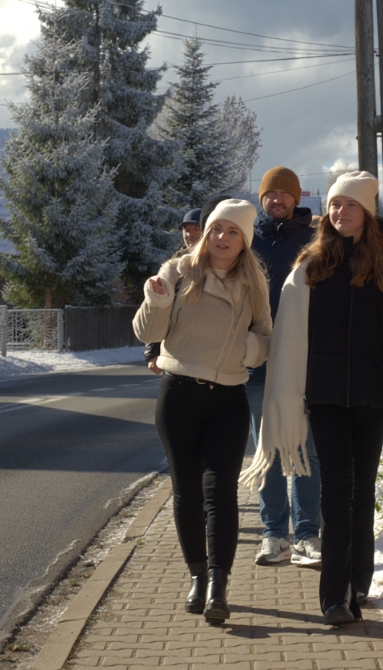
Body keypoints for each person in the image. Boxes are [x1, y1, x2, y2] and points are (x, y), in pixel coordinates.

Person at [241, 171, 383, 626]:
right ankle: (335, 595)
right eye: (336, 205)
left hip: (374, 396)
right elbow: (291, 339)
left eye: (350, 206)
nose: (340, 213)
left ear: (367, 212)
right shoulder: (310, 267)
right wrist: (294, 392)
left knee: (362, 489)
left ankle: (360, 578)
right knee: (336, 490)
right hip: (324, 397)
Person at [134, 199, 273, 623]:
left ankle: (218, 583)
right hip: (178, 394)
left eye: (233, 232)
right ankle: (196, 574)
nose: (223, 238)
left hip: (228, 397)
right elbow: (147, 333)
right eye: (216, 230)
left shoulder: (254, 281)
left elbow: (265, 333)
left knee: (220, 493)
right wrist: (156, 302)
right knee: (186, 493)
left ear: (244, 240)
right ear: (206, 232)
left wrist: (247, 351)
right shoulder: (178, 271)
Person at [248, 167, 322, 568]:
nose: (278, 200)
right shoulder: (248, 239)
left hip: (304, 361)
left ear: (297, 199)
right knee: (267, 451)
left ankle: (309, 534)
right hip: (258, 363)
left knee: (306, 447)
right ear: (262, 199)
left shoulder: (315, 240)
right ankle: (274, 535)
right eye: (270, 194)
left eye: (285, 194)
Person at [145, 207, 207, 374]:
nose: (189, 234)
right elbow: (158, 306)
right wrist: (153, 351)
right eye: (186, 230)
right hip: (177, 351)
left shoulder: (223, 263)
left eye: (196, 228)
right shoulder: (175, 263)